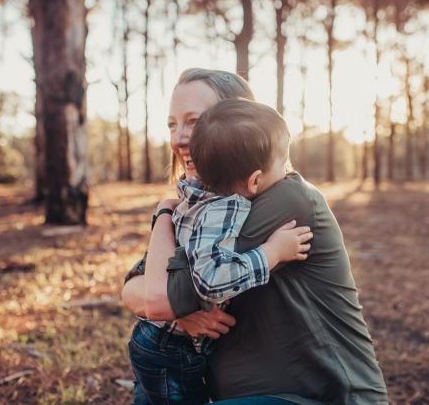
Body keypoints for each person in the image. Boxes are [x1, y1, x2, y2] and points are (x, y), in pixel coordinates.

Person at [122, 68, 388, 404]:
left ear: (236, 119)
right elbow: (134, 288)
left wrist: (163, 215)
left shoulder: (283, 198)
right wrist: (182, 308)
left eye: (196, 121)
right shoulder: (207, 206)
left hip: (317, 397)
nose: (179, 138)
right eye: (173, 125)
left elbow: (157, 299)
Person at [126, 98, 313, 404]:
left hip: (160, 340)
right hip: (170, 346)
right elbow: (210, 280)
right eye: (283, 165)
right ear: (254, 179)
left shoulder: (196, 191)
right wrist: (272, 252)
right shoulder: (223, 207)